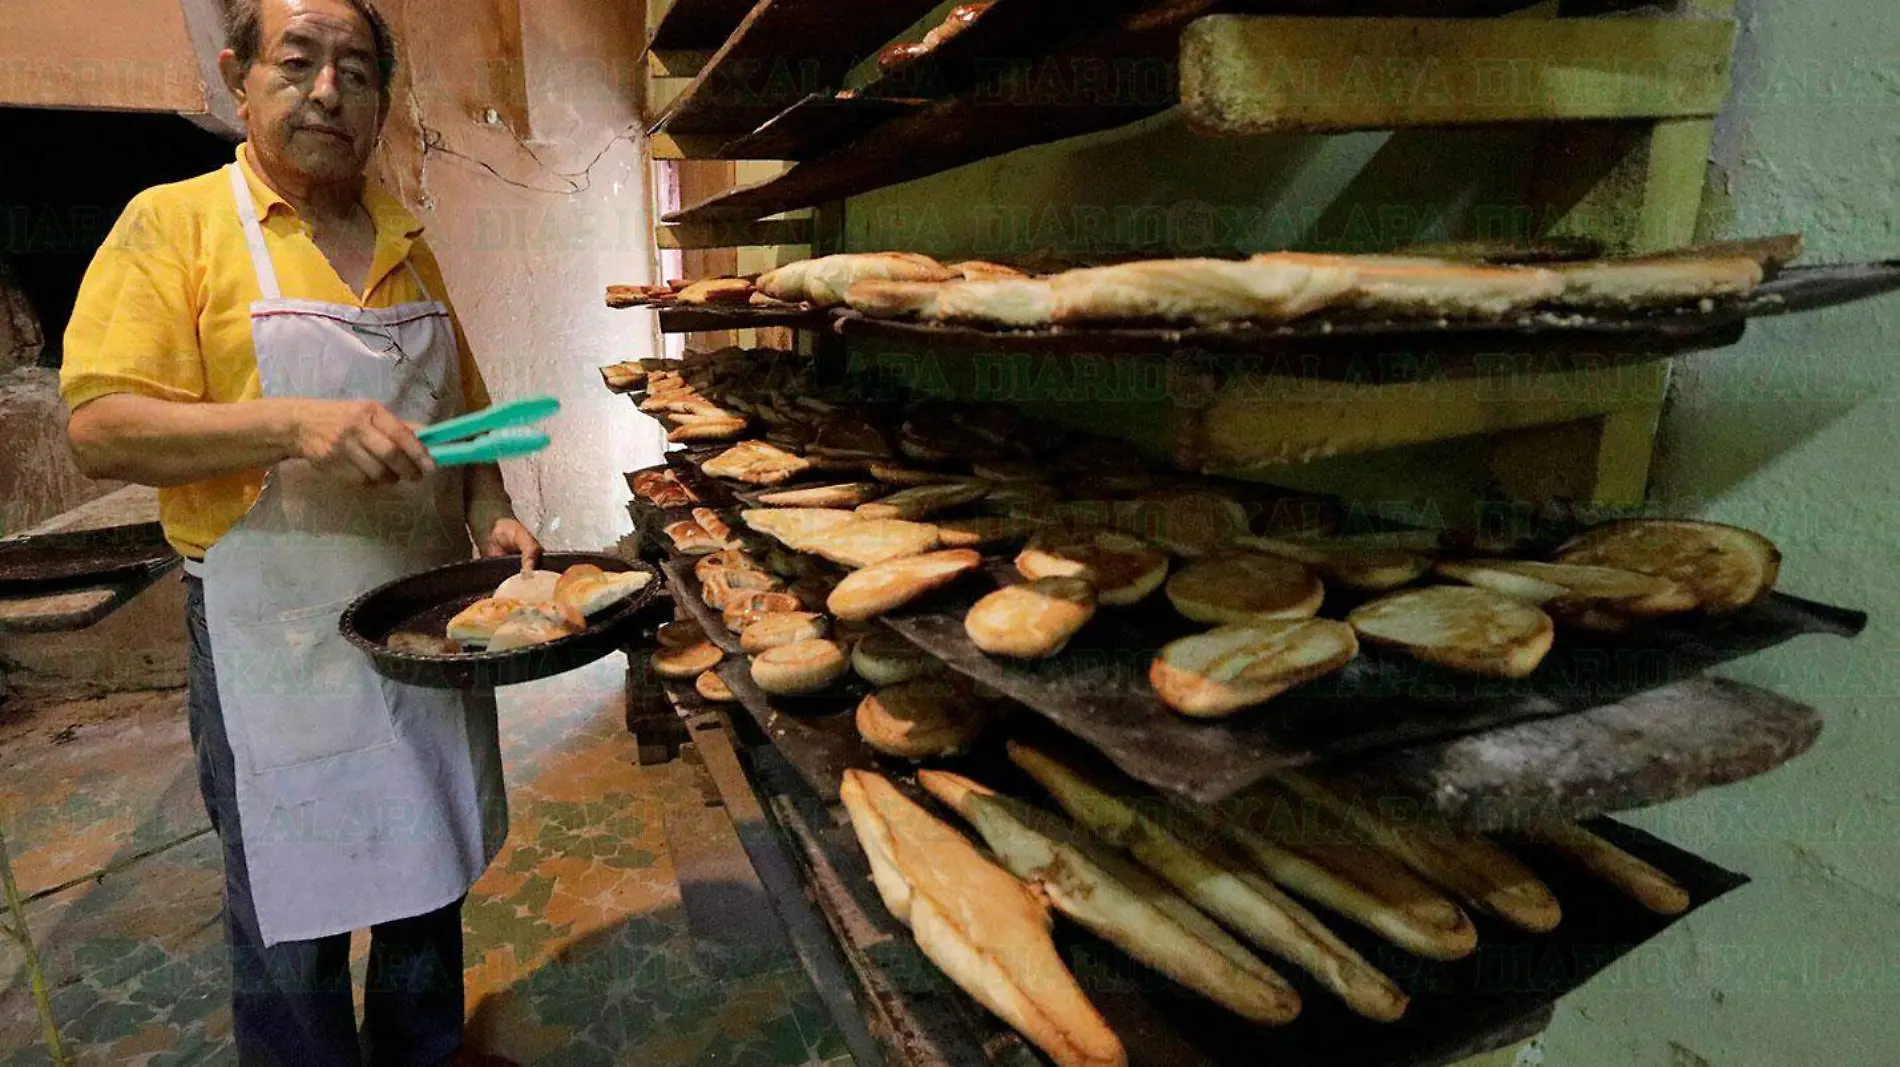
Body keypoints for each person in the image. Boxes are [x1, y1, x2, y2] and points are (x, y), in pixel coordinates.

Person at [61, 2, 532, 1063]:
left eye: (358, 70)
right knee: (294, 898)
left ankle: (420, 1048)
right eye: (300, 59)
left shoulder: (406, 240)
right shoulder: (175, 225)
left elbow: (463, 410)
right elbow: (98, 428)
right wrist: (292, 422)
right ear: (239, 75)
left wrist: (491, 510)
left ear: (380, 101)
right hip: (271, 636)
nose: (330, 89)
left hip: (419, 618)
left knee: (426, 859)